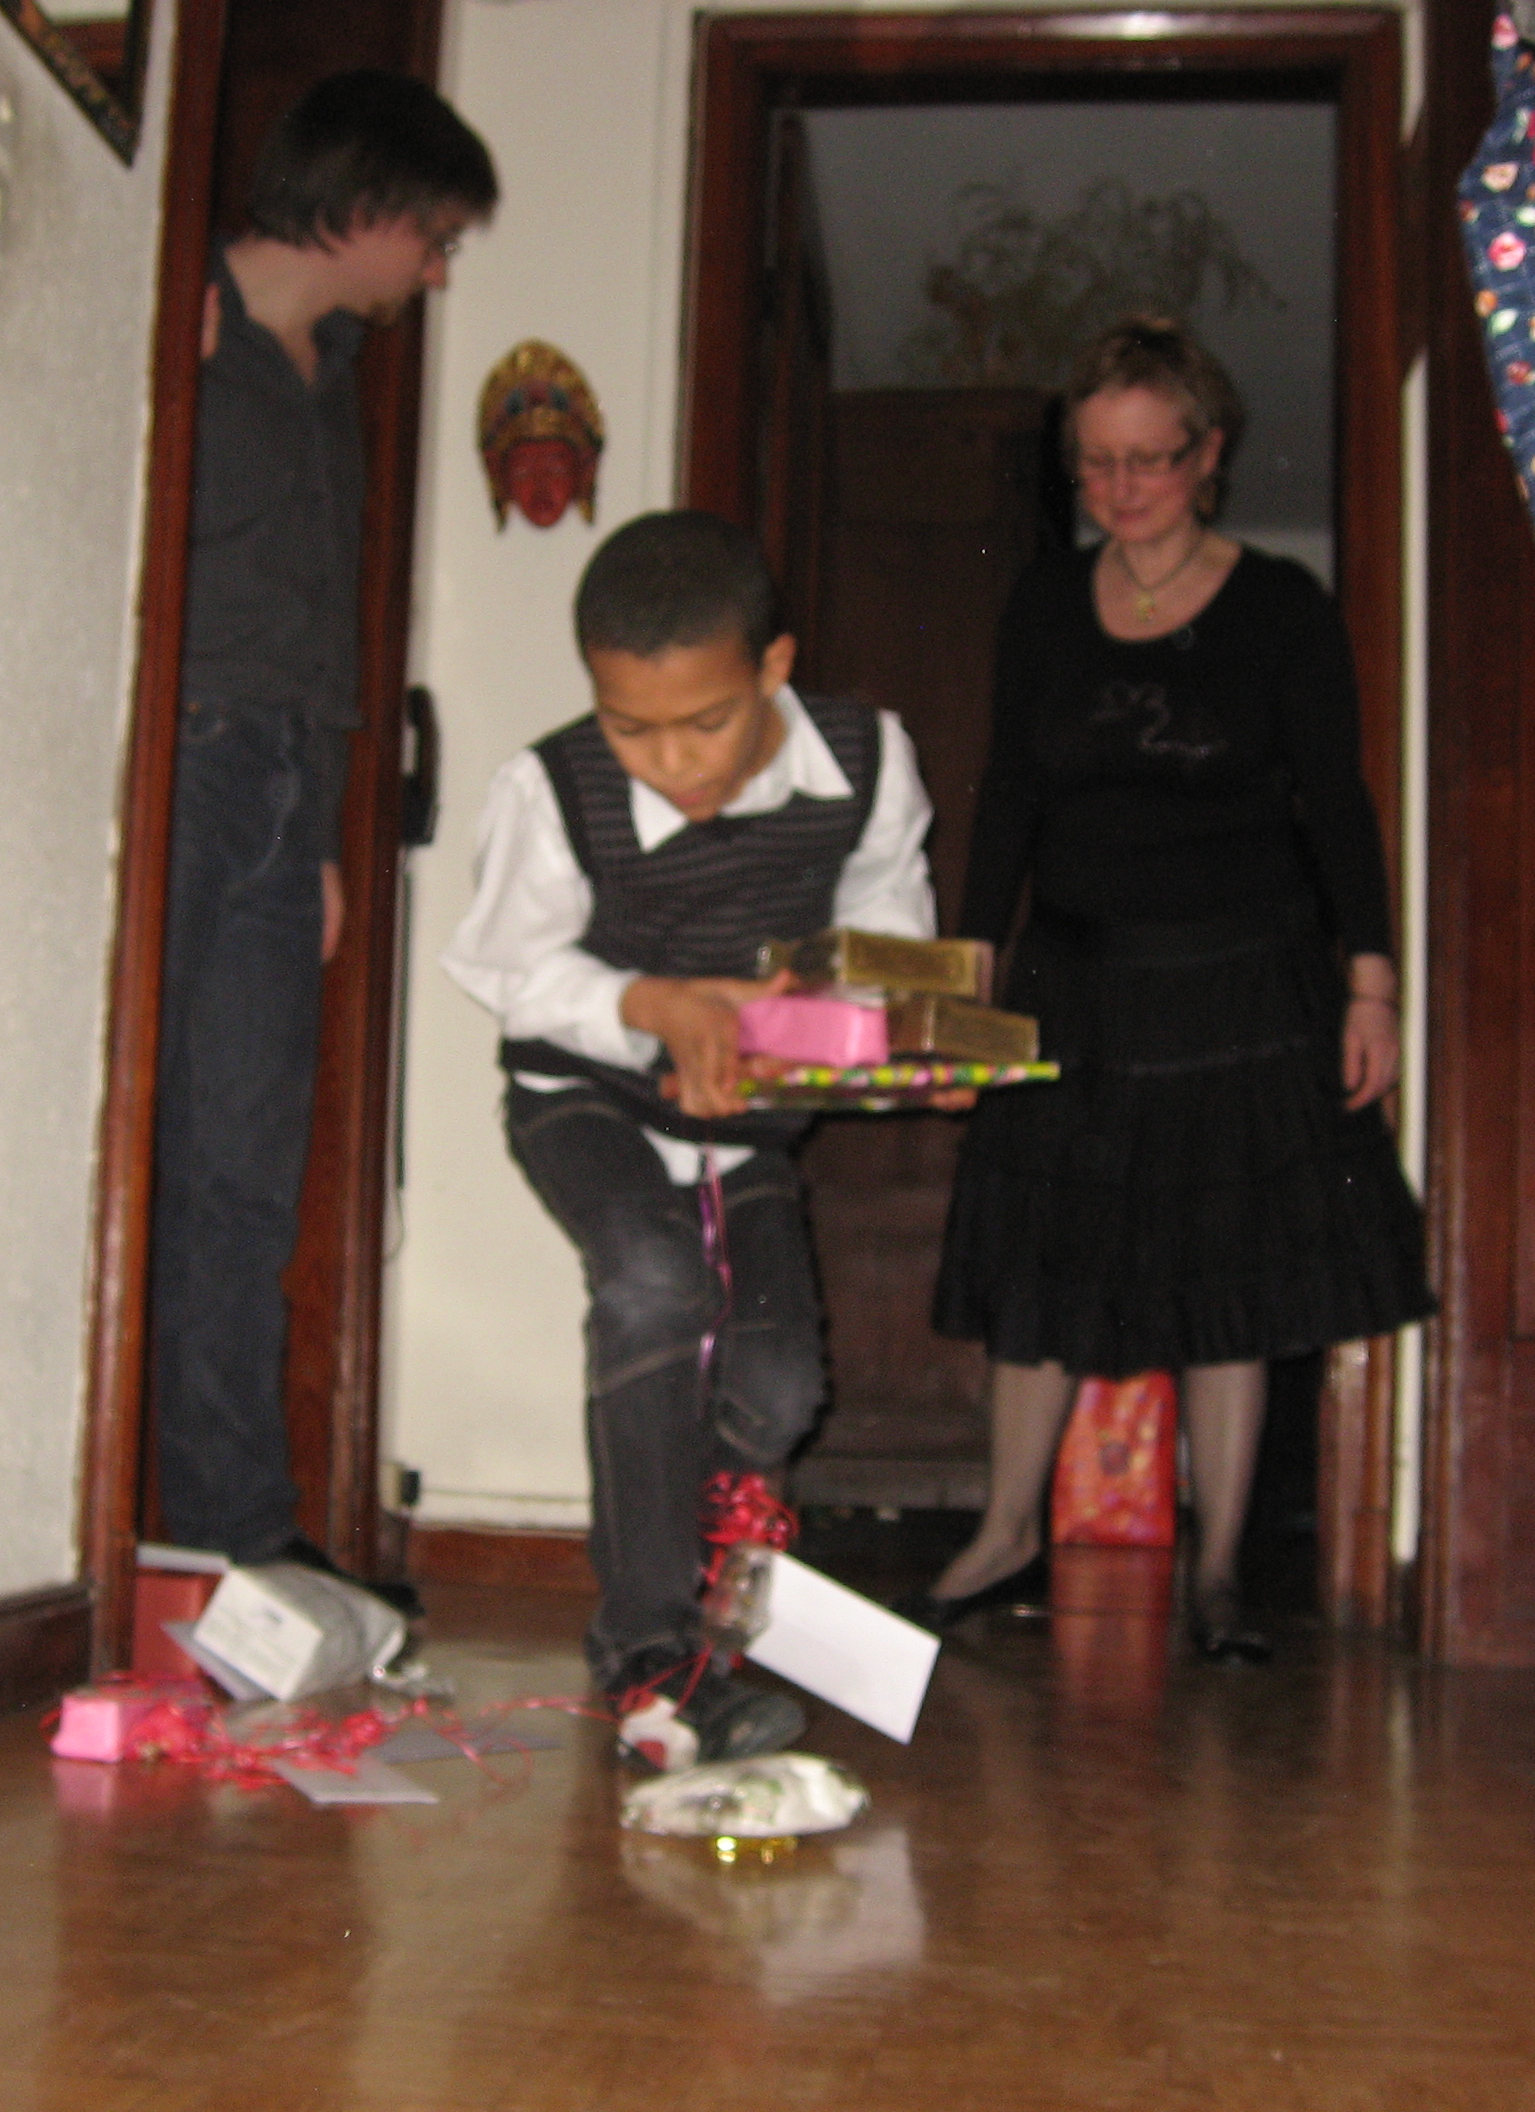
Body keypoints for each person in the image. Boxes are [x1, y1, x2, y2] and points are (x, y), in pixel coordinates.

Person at [911, 317, 1436, 1659]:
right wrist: (969, 973)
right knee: (1042, 1265)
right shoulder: (1044, 604)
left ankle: (1217, 1571)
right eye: (1095, 462)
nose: (1120, 487)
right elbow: (1007, 795)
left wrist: (1370, 987)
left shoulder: (1280, 610)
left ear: (1207, 455)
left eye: (1148, 458)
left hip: (1239, 989)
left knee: (1229, 1282)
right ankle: (1004, 1531)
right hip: (1073, 981)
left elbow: (1337, 807)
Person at [443, 512, 942, 1765]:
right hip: (586, 1098)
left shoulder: (866, 758)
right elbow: (508, 970)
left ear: (772, 666)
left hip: (745, 1125)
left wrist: (884, 1037)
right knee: (653, 1286)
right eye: (629, 728)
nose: (670, 761)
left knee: (778, 1387)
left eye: (705, 722)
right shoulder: (550, 787)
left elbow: (885, 931)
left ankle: (710, 1631)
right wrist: (654, 1006)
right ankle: (647, 1652)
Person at [149, 75, 496, 1575]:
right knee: (134, 1150)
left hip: (287, 794)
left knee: (243, 1178)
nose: (439, 270)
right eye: (435, 238)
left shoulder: (338, 366)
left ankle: (244, 1544)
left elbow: (323, 619)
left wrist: (325, 843)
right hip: (179, 767)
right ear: (362, 204)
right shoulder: (174, 316)